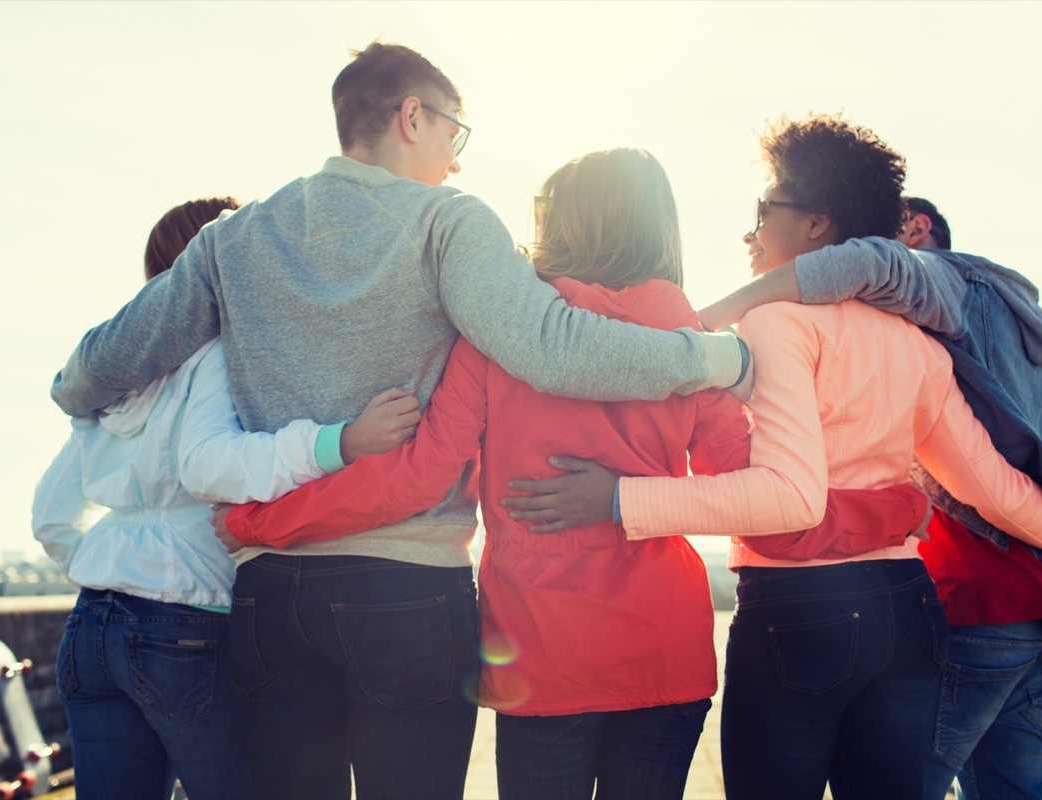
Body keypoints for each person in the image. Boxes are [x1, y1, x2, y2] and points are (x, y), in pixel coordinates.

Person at [47, 43, 753, 800]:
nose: (455, 163)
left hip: (271, 595)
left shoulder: (233, 239)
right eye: (456, 135)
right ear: (413, 117)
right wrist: (717, 362)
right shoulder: (447, 223)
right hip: (407, 587)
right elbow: (550, 347)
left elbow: (87, 373)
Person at [214, 148, 930, 799]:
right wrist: (892, 509)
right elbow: (767, 509)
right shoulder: (690, 343)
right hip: (665, 651)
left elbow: (416, 479)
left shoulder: (500, 339)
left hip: (542, 655)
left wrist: (259, 520)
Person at [500, 116, 1042, 800]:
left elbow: (786, 499)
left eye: (762, 212)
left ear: (814, 227)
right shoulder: (920, 347)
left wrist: (621, 498)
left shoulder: (775, 323)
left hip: (800, 612)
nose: (749, 233)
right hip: (907, 610)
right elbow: (992, 486)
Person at [32, 197, 420, 800]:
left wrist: (113, 569)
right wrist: (338, 442)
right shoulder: (215, 352)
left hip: (90, 628)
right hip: (184, 622)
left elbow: (50, 516)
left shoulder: (114, 380)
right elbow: (209, 466)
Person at [694, 193, 1042, 800]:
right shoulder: (977, 333)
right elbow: (996, 479)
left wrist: (717, 313)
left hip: (968, 593)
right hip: (1033, 593)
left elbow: (865, 265)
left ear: (914, 230)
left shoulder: (932, 281)